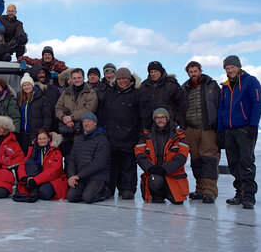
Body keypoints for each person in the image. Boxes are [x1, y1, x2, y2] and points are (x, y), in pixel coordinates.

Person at [97, 67, 151, 199]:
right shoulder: (110, 93)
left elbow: (145, 114)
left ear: (129, 79)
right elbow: (102, 113)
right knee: (112, 165)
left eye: (124, 78)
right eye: (119, 78)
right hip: (111, 135)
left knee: (128, 165)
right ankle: (109, 188)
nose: (122, 81)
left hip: (130, 135)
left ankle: (127, 188)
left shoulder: (138, 93)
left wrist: (142, 132)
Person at [218, 55, 261, 209]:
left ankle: (249, 196)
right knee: (233, 163)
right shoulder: (225, 86)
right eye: (227, 68)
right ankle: (240, 193)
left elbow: (258, 103)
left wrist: (253, 125)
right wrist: (220, 130)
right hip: (229, 130)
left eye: (232, 67)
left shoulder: (250, 81)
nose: (230, 70)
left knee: (246, 161)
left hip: (245, 128)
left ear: (238, 67)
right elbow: (222, 109)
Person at [180, 61, 221, 203]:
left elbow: (219, 105)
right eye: (191, 72)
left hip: (208, 128)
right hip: (190, 129)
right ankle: (200, 189)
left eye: (195, 71)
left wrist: (219, 127)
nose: (193, 74)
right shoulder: (184, 88)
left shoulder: (212, 85)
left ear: (200, 71)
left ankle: (209, 191)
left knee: (209, 159)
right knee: (196, 160)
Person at [135, 108, 189, 204]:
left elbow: (181, 157)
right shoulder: (146, 136)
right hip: (154, 173)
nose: (160, 120)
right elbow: (139, 154)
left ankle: (169, 193)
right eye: (157, 117)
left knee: (177, 201)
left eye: (162, 117)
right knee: (155, 181)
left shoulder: (179, 136)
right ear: (154, 120)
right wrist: (150, 168)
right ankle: (157, 195)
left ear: (167, 119)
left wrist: (165, 168)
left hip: (172, 175)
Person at [66, 112, 111, 203]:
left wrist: (78, 176)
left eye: (89, 121)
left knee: (88, 198)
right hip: (81, 177)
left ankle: (105, 191)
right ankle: (86, 190)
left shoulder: (102, 140)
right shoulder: (78, 139)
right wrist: (71, 177)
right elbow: (71, 160)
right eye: (84, 121)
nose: (86, 124)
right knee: (71, 197)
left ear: (95, 123)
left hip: (97, 176)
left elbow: (98, 164)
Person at [55, 68, 98, 158]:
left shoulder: (90, 92)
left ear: (83, 78)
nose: (77, 80)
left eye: (79, 77)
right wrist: (64, 118)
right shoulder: (66, 92)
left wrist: (71, 117)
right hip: (67, 133)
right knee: (68, 160)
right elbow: (58, 107)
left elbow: (89, 109)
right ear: (71, 79)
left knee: (82, 160)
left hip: (83, 133)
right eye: (74, 78)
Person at [14, 129, 68, 202]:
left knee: (45, 193)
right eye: (39, 139)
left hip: (51, 179)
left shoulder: (56, 152)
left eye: (44, 138)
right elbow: (22, 165)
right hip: (35, 178)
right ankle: (34, 189)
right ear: (37, 140)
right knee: (29, 162)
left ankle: (35, 189)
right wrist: (24, 177)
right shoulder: (32, 150)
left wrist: (35, 181)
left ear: (49, 139)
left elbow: (54, 171)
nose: (42, 141)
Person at [140, 61, 183, 127]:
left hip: (169, 124)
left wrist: (177, 120)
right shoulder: (144, 86)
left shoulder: (171, 84)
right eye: (151, 72)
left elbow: (180, 104)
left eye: (155, 71)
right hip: (150, 125)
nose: (153, 74)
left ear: (161, 72)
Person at [17, 73, 52, 152]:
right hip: (23, 134)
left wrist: (44, 131)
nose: (26, 87)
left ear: (32, 85)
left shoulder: (41, 98)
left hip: (36, 133)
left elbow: (47, 116)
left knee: (34, 156)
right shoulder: (20, 99)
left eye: (28, 84)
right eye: (24, 85)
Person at [29, 65, 60, 130]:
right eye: (39, 73)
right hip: (37, 127)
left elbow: (59, 105)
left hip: (54, 126)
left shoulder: (53, 89)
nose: (42, 75)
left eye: (43, 73)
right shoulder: (30, 90)